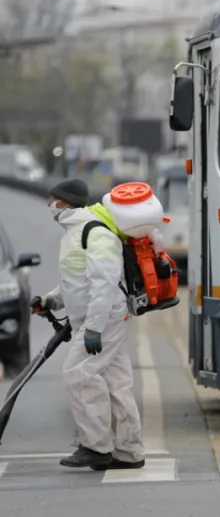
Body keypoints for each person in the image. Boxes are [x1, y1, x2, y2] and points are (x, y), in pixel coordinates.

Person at [31, 178, 145, 470]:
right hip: (97, 318)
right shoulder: (75, 232)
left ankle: (96, 447)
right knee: (117, 382)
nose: (49, 205)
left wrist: (94, 327)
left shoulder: (95, 234)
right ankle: (129, 451)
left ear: (66, 202)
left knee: (78, 374)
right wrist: (49, 301)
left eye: (53, 199)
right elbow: (75, 281)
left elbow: (105, 285)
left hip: (104, 318)